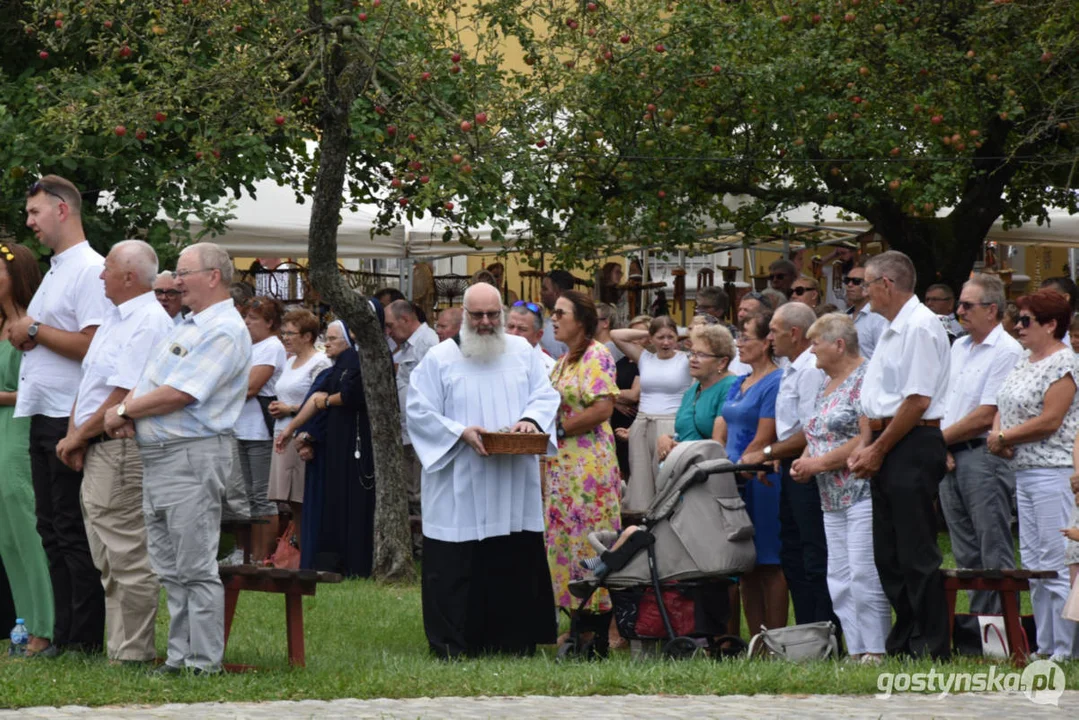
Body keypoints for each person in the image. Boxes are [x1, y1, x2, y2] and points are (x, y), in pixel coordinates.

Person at [103, 242, 252, 675]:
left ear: (213, 276)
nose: (176, 280)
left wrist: (125, 411)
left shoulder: (223, 329)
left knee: (194, 564)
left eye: (184, 272)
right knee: (169, 565)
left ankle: (203, 664)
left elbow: (183, 392)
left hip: (191, 456)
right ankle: (179, 658)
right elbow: (150, 379)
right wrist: (128, 411)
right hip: (163, 456)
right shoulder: (186, 324)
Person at [406, 282, 560, 658]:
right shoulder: (441, 358)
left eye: (493, 314)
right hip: (460, 476)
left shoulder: (523, 351)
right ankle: (453, 643)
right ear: (464, 313)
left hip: (511, 479)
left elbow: (545, 395)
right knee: (457, 564)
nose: (486, 322)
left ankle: (513, 641)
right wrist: (460, 432)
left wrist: (528, 420)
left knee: (512, 561)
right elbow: (418, 410)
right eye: (478, 315)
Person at [56, 240, 172, 664]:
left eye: (107, 268)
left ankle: (133, 653)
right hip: (96, 447)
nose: (100, 275)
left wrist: (77, 438)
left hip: (121, 451)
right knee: (106, 556)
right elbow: (88, 387)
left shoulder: (148, 322)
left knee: (127, 554)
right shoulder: (112, 318)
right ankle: (119, 649)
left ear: (128, 276)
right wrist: (75, 434)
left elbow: (123, 395)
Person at [11, 175, 110, 655]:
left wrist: (34, 329)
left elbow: (93, 345)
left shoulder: (90, 269)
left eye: (35, 213)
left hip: (68, 415)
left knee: (71, 528)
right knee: (49, 528)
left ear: (62, 210)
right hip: (40, 411)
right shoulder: (55, 271)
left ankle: (85, 639)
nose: (29, 223)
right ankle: (64, 632)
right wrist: (33, 332)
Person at [848, 250, 950, 660]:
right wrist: (866, 445)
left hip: (910, 441)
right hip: (888, 440)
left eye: (867, 284)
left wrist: (879, 448)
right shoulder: (892, 328)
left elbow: (917, 400)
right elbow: (876, 401)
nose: (864, 293)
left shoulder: (920, 327)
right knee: (888, 553)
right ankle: (906, 638)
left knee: (915, 549)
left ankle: (930, 644)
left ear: (886, 284)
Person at [792, 313, 889, 664]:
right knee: (839, 576)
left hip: (860, 489)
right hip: (829, 495)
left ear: (838, 344)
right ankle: (856, 647)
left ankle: (877, 649)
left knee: (863, 572)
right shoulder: (826, 381)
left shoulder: (865, 378)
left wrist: (816, 463)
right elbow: (819, 432)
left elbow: (865, 440)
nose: (811, 349)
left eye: (815, 342)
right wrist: (805, 458)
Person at [989, 289, 1079, 662]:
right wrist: (997, 434)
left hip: (1053, 471)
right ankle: (1045, 645)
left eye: (1026, 320)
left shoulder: (1065, 364)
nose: (1018, 327)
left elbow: (1051, 419)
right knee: (1034, 561)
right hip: (1024, 470)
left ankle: (1066, 649)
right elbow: (1003, 403)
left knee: (1058, 561)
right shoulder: (1024, 361)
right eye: (1017, 319)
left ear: (1051, 324)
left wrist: (1005, 436)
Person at [743, 303, 833, 628]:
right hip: (791, 465)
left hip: (808, 469)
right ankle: (806, 630)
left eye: (774, 331)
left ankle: (820, 628)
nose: (769, 338)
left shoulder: (810, 369)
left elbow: (810, 429)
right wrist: (777, 456)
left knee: (810, 554)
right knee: (793, 553)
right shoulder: (791, 366)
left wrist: (766, 452)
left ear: (794, 333)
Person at [940, 274, 1022, 614]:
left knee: (993, 548)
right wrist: (940, 446)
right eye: (960, 303)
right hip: (949, 456)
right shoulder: (958, 347)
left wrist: (935, 441)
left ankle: (1005, 632)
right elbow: (942, 402)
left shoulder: (1007, 350)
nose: (959, 310)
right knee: (965, 551)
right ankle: (981, 630)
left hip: (983, 455)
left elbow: (987, 413)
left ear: (992, 310)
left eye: (967, 305)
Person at [545, 290, 622, 638]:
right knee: (564, 540)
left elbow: (603, 408)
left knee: (589, 539)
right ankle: (576, 620)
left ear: (581, 320)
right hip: (562, 465)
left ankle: (597, 626)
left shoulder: (597, 355)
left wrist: (560, 428)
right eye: (553, 313)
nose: (554, 318)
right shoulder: (564, 361)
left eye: (561, 313)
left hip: (589, 465)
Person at [276, 319, 376, 578]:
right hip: (326, 446)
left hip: (343, 445)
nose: (327, 343)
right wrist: (296, 431)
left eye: (332, 339)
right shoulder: (332, 370)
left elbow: (338, 399)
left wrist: (313, 422)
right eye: (327, 338)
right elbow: (314, 401)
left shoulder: (352, 364)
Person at [713, 311, 786, 632]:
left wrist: (741, 466)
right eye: (737, 337)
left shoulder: (775, 381)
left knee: (769, 561)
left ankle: (776, 638)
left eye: (745, 337)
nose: (738, 344)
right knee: (746, 565)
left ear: (767, 342)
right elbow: (724, 424)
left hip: (759, 478)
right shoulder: (740, 382)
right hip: (731, 478)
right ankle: (756, 638)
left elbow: (764, 435)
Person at [0, 242, 54, 657]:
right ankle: (21, 625)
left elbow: (42, 389)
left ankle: (46, 625)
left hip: (19, 433)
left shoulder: (36, 326)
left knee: (28, 530)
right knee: (6, 538)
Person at [610, 316, 692, 516]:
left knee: (666, 476)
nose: (665, 342)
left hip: (670, 423)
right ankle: (642, 526)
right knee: (640, 478)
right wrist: (648, 333)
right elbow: (615, 335)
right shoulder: (645, 357)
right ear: (652, 338)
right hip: (642, 422)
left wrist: (682, 334)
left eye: (670, 337)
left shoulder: (686, 359)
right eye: (660, 337)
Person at [233, 297, 287, 562]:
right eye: (246, 318)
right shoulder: (249, 347)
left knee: (262, 495)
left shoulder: (271, 347)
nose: (246, 323)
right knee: (246, 496)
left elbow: (251, 387)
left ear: (269, 322)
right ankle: (250, 553)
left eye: (253, 319)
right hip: (240, 428)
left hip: (260, 431)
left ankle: (263, 556)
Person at [387, 299, 440, 556]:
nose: (389, 331)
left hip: (420, 431)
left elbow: (431, 387)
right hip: (406, 430)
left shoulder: (427, 343)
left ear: (406, 320)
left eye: (390, 325)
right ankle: (416, 546)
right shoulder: (408, 345)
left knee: (418, 492)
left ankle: (423, 548)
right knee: (410, 490)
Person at [655, 325, 738, 462]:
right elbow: (686, 435)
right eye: (692, 353)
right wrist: (667, 439)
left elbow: (719, 445)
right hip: (683, 468)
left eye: (701, 355)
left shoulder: (731, 387)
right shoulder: (693, 390)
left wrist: (681, 449)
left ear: (722, 362)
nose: (693, 359)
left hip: (709, 473)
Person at [611, 315, 649, 480]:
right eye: (631, 334)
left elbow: (634, 395)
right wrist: (615, 401)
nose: (634, 339)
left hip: (633, 421)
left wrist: (610, 395)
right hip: (616, 421)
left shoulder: (647, 362)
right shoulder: (620, 363)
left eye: (639, 335)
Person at [843, 263, 887, 359]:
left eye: (856, 281)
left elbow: (883, 356)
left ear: (868, 286)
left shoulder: (878, 318)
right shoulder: (843, 316)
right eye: (847, 281)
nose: (850, 285)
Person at [506, 300, 555, 374]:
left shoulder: (550, 370)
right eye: (510, 327)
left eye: (522, 329)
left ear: (538, 335)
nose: (514, 333)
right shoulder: (493, 361)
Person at [539, 269, 574, 358]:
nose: (541, 292)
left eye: (545, 289)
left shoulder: (572, 327)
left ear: (559, 292)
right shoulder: (543, 322)